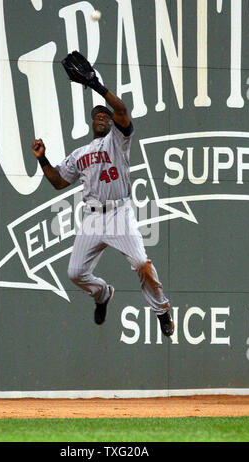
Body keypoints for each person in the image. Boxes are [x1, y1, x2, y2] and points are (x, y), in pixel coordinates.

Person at [31, 67, 174, 337]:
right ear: (91, 123)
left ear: (111, 123)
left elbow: (121, 109)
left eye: (105, 116)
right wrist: (42, 159)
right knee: (75, 273)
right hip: (93, 218)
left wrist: (96, 85)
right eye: (97, 115)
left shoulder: (118, 140)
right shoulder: (80, 153)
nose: (101, 117)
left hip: (119, 213)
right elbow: (59, 181)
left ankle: (161, 309)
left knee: (142, 264)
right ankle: (102, 293)